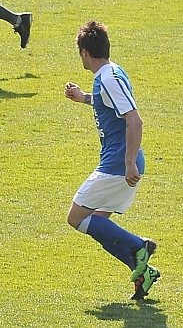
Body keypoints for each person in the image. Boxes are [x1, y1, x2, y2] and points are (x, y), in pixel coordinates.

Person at [64, 21, 160, 300]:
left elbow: (134, 120)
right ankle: (142, 271)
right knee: (100, 226)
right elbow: (112, 103)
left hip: (119, 165)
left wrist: (129, 162)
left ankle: (140, 247)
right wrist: (84, 98)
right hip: (121, 162)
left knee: (76, 217)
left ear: (84, 52)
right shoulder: (111, 73)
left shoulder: (107, 78)